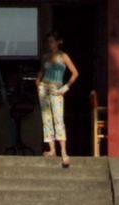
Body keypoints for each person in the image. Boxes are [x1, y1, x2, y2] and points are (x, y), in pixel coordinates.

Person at [36, 31, 79, 168]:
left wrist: (66, 87)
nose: (50, 44)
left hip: (56, 88)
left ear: (58, 42)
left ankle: (64, 152)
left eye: (52, 41)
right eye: (48, 42)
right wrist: (38, 82)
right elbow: (42, 71)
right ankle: (52, 149)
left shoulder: (63, 56)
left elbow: (75, 73)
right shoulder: (45, 57)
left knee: (58, 119)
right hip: (44, 88)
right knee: (46, 119)